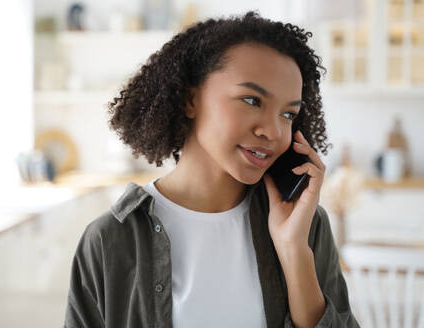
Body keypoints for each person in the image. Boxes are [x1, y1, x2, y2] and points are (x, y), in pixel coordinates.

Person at [64, 10, 360, 328]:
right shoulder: (111, 240)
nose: (273, 132)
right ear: (191, 99)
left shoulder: (304, 226)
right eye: (251, 100)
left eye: (288, 115)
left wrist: (293, 251)